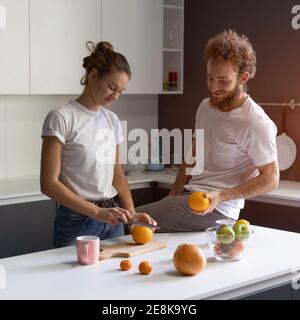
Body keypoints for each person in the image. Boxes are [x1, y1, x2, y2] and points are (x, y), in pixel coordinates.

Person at [137, 30, 279, 232]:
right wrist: (172, 196)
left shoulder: (254, 122)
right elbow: (192, 157)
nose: (214, 87)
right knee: (134, 224)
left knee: (129, 222)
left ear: (243, 78)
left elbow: (271, 178)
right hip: (189, 197)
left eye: (223, 81)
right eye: (210, 78)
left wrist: (221, 195)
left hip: (218, 211)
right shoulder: (206, 106)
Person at [40, 41, 156, 248]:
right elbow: (48, 183)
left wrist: (131, 213)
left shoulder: (111, 120)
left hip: (114, 219)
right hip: (77, 221)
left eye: (121, 91)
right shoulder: (61, 118)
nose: (115, 96)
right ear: (93, 76)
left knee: (116, 278)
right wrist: (96, 212)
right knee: (71, 280)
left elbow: (116, 173)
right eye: (112, 87)